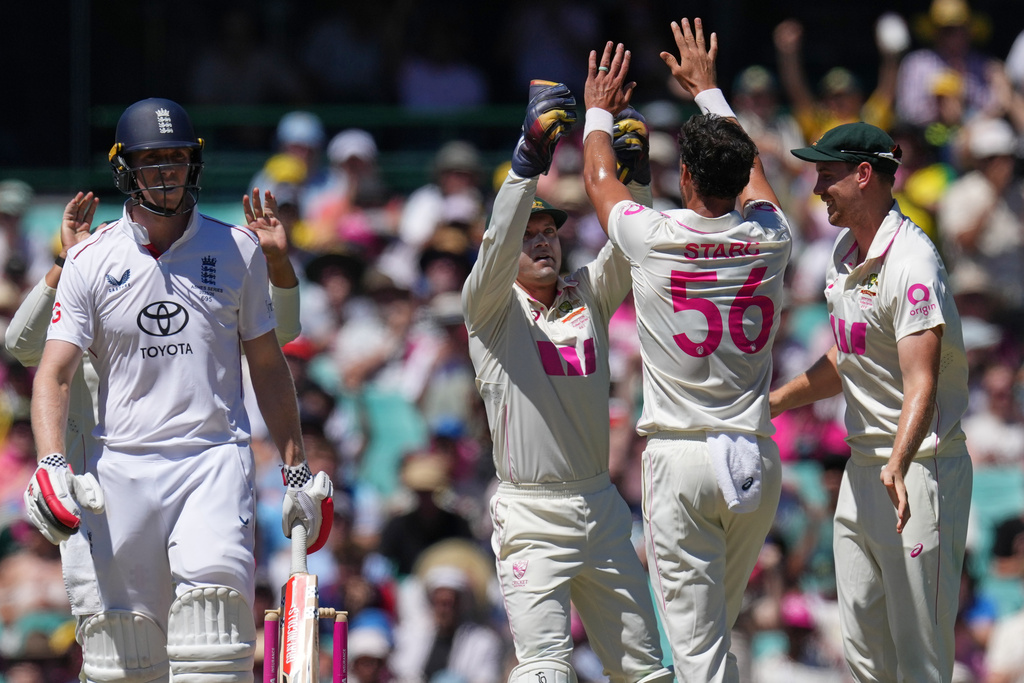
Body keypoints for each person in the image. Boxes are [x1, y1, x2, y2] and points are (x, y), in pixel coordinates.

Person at [22, 98, 333, 683]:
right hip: (120, 468)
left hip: (212, 459)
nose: (167, 173)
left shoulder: (236, 250)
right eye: (152, 161)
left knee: (212, 638)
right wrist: (50, 463)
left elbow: (268, 365)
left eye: (177, 159)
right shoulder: (89, 258)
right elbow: (51, 370)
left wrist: (294, 468)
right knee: (126, 655)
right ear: (125, 169)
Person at [581, 22, 792, 682]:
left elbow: (596, 177)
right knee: (712, 637)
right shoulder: (773, 235)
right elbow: (755, 173)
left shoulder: (656, 235)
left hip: (682, 455)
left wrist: (597, 108)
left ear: (686, 175)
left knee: (696, 650)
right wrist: (710, 92)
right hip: (754, 458)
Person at [462, 80, 672, 683]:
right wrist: (527, 161)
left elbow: (636, 249)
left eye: (549, 230)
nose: (542, 240)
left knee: (646, 672)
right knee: (545, 671)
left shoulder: (589, 293)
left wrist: (634, 179)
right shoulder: (489, 309)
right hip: (530, 511)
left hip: (601, 506)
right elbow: (496, 244)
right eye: (529, 234)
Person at [769, 118, 972, 681]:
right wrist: (776, 402)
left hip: (920, 474)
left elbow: (922, 383)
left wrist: (899, 464)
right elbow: (849, 356)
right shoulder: (843, 251)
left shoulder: (912, 263)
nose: (815, 189)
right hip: (866, 471)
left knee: (921, 656)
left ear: (864, 175)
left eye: (826, 176)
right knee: (863, 649)